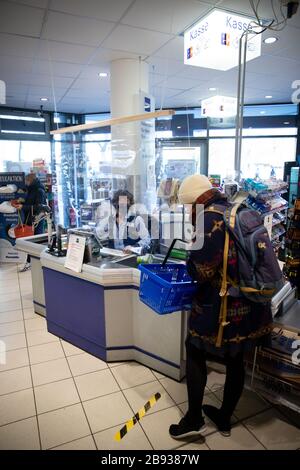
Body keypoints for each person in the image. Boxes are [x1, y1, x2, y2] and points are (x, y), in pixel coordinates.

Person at [169, 174, 273, 439]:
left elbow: (202, 270)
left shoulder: (209, 218)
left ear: (193, 201)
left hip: (221, 307)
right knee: (236, 359)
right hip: (251, 304)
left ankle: (194, 419)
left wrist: (189, 261)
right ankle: (224, 417)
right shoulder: (237, 208)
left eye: (188, 206)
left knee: (193, 349)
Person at [95, 190, 151, 254]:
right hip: (113, 256)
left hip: (130, 256)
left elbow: (146, 239)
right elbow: (98, 235)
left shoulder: (136, 219)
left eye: (127, 201)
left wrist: (133, 247)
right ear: (115, 203)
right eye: (121, 201)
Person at [12, 173, 47, 271]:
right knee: (32, 242)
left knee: (35, 242)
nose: (25, 183)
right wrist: (21, 202)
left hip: (37, 220)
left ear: (30, 181)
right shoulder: (32, 189)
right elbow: (30, 203)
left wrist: (23, 206)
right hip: (30, 219)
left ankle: (32, 263)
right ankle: (31, 262)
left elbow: (39, 207)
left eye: (27, 181)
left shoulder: (39, 191)